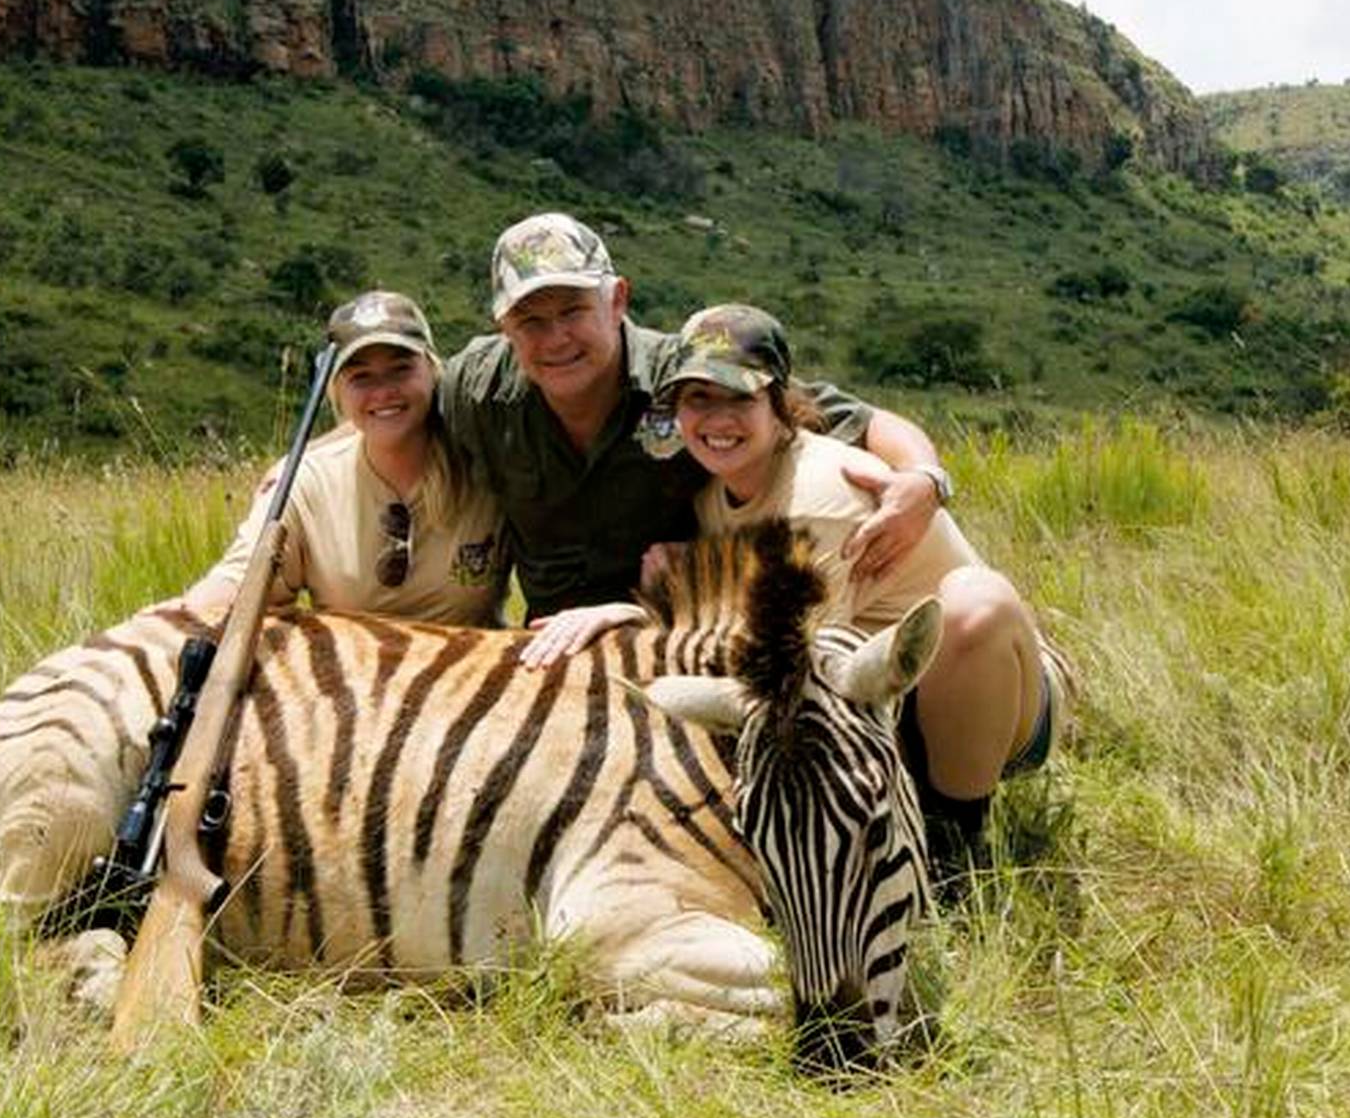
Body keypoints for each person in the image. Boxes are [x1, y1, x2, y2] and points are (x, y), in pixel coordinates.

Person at [655, 302, 1069, 881]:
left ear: (779, 407)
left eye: (740, 398)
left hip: (990, 702)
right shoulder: (713, 499)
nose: (717, 418)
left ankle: (956, 847)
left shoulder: (820, 494)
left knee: (975, 604)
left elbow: (796, 685)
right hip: (883, 697)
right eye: (699, 398)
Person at [430, 211, 955, 664]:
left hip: (690, 630)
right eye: (530, 320)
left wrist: (924, 480)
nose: (555, 338)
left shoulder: (688, 376)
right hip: (553, 644)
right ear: (503, 325)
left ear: (617, 300)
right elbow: (382, 420)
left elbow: (861, 420)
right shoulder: (473, 389)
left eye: (572, 311)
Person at [179, 291, 507, 625]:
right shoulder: (305, 483)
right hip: (348, 674)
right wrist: (171, 619)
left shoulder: (487, 463)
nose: (383, 391)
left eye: (400, 369)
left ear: (433, 370)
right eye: (361, 376)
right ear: (336, 391)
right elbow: (239, 578)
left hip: (472, 671)